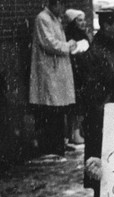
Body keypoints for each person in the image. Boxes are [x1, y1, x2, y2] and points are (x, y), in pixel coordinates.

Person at [77, 7, 114, 197]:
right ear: (107, 26)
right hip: (101, 119)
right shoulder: (97, 53)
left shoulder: (109, 48)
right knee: (100, 166)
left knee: (109, 165)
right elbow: (92, 92)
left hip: (108, 117)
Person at [29, 0, 78, 160]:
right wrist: (68, 46)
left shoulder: (54, 19)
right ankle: (51, 147)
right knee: (51, 110)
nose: (63, 9)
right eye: (61, 5)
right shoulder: (42, 18)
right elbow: (49, 43)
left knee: (58, 109)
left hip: (57, 72)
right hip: (49, 72)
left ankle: (58, 145)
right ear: (54, 4)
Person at [63, 9, 90, 146]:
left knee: (79, 104)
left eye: (83, 20)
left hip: (81, 72)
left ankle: (75, 132)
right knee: (77, 104)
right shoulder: (73, 36)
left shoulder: (80, 34)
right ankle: (75, 132)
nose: (83, 23)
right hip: (76, 73)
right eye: (79, 20)